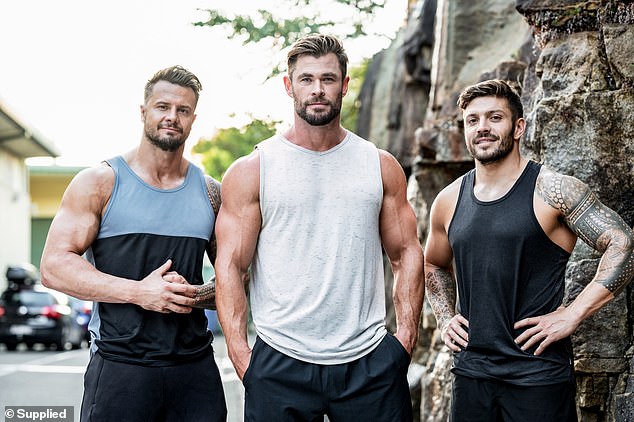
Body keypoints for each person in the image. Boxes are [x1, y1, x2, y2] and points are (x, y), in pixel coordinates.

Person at [214, 34, 425, 421]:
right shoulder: (252, 170)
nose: (317, 90)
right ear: (288, 85)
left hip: (370, 362)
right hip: (280, 361)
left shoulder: (379, 165)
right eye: (306, 79)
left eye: (328, 79)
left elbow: (406, 252)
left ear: (344, 85)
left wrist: (405, 340)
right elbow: (230, 266)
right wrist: (243, 355)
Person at [424, 79, 634, 421]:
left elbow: (623, 243)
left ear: (518, 126)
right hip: (471, 373)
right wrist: (446, 317)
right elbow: (433, 264)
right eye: (473, 120)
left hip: (538, 376)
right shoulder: (448, 200)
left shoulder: (553, 190)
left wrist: (573, 313)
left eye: (495, 118)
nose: (483, 128)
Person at [40, 65, 227, 422]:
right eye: (162, 107)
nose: (171, 117)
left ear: (193, 119)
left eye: (182, 110)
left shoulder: (211, 193)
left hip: (194, 371)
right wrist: (140, 292)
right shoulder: (99, 183)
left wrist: (194, 295)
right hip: (119, 368)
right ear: (144, 111)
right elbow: (53, 267)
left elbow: (237, 277)